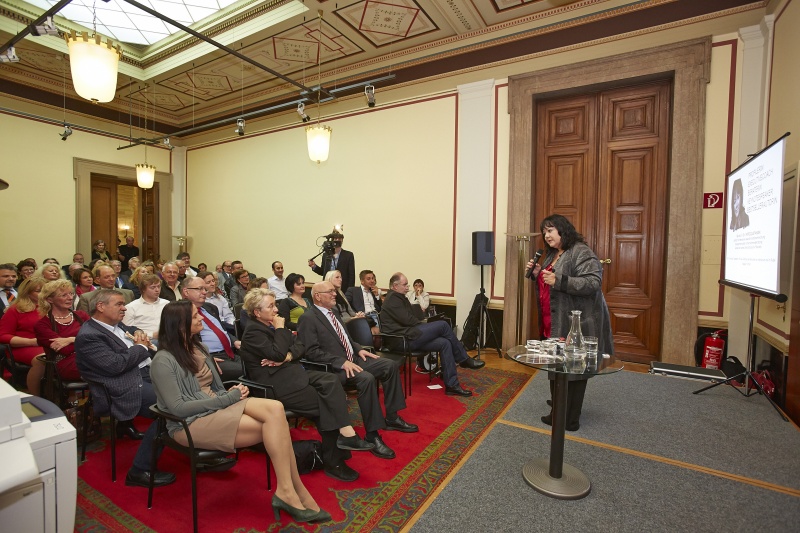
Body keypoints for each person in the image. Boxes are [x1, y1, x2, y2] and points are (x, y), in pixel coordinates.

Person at [150, 300, 330, 523]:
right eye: (196, 316)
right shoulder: (163, 361)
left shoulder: (198, 348)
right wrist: (228, 398)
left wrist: (229, 393)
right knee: (274, 427)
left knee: (276, 408)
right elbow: (178, 407)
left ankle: (289, 490)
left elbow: (212, 388)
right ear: (180, 324)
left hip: (215, 406)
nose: (201, 318)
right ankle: (293, 491)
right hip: (188, 423)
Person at [239, 288, 374, 482]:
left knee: (331, 380)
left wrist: (288, 356)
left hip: (290, 372)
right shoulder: (254, 332)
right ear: (257, 312)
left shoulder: (270, 324)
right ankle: (334, 460)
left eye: (275, 304)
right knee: (327, 405)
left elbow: (299, 344)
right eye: (270, 306)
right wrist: (280, 333)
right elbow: (276, 353)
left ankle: (344, 435)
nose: (276, 309)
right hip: (275, 385)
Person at [299, 281, 418, 460]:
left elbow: (345, 337)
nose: (334, 294)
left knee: (390, 365)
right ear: (317, 296)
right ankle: (373, 434)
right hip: (334, 368)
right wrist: (340, 362)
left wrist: (358, 348)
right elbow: (311, 352)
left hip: (353, 359)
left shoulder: (335, 312)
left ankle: (392, 417)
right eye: (330, 291)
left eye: (334, 291)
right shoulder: (308, 318)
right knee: (366, 379)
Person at [74, 289, 176, 488]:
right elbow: (116, 365)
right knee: (171, 409)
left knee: (191, 392)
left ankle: (199, 444)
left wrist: (138, 332)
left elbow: (130, 328)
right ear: (101, 307)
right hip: (121, 386)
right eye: (119, 304)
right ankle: (140, 470)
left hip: (142, 374)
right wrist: (141, 347)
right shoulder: (89, 335)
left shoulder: (115, 325)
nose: (124, 308)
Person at [526, 214, 614, 432]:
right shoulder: (554, 254)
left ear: (563, 230)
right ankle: (559, 405)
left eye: (550, 230)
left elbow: (593, 282)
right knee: (556, 361)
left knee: (574, 368)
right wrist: (538, 273)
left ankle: (569, 418)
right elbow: (549, 281)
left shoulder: (581, 251)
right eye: (544, 232)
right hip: (554, 320)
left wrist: (560, 280)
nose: (546, 235)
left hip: (576, 321)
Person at [380, 272, 484, 397]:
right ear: (395, 286)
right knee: (443, 325)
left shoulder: (400, 297)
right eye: (405, 284)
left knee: (444, 343)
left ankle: (452, 385)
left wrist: (419, 315)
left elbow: (414, 316)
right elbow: (408, 320)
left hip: (410, 335)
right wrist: (422, 323)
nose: (408, 287)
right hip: (402, 340)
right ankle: (464, 359)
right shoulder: (392, 299)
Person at [179, 276, 243, 382]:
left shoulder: (210, 307)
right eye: (200, 289)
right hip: (212, 357)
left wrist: (234, 340)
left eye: (205, 289)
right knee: (246, 371)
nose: (204, 292)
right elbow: (180, 343)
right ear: (186, 292)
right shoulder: (179, 313)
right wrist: (206, 359)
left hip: (231, 352)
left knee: (259, 363)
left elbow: (221, 330)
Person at [35, 279, 90, 385]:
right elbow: (65, 349)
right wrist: (88, 341)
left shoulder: (81, 315)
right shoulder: (43, 325)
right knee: (108, 367)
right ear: (50, 299)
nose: (70, 298)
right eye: (64, 295)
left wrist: (71, 339)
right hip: (65, 364)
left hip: (90, 356)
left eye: (71, 293)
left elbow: (100, 337)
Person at [0, 277, 46, 394]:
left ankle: (66, 396)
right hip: (23, 346)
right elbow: (3, 335)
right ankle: (35, 396)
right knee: (43, 359)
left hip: (47, 343)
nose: (42, 294)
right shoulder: (16, 309)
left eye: (44, 290)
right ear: (28, 293)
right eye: (38, 290)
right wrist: (32, 341)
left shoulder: (50, 307)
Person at [324, 270, 372, 347]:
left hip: (350, 321)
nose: (340, 279)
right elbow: (334, 317)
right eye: (337, 277)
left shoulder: (340, 293)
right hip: (341, 324)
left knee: (363, 319)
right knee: (360, 325)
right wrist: (353, 319)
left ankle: (366, 349)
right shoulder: (327, 295)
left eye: (341, 277)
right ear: (329, 279)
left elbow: (350, 310)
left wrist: (357, 315)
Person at [122, 273, 169, 340]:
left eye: (158, 286)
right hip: (146, 340)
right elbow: (127, 332)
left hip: (168, 339)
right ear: (143, 289)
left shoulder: (166, 304)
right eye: (153, 287)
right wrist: (152, 335)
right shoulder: (131, 307)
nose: (157, 290)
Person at [345, 269, 382, 334]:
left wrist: (377, 296)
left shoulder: (375, 291)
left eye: (373, 278)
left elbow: (380, 308)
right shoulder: (353, 290)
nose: (372, 281)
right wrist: (355, 314)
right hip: (364, 316)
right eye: (368, 279)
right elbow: (346, 304)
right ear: (362, 281)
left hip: (376, 316)